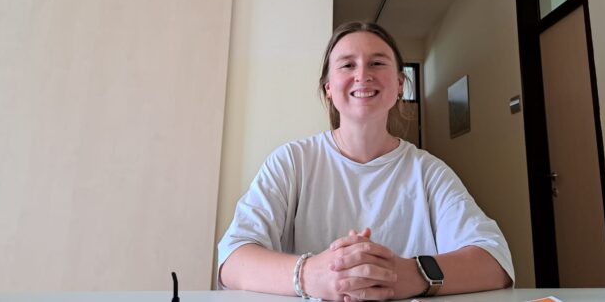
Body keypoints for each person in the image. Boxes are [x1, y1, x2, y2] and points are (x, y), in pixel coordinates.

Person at [217, 21, 513, 300]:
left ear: (400, 84)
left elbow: (495, 262)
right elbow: (231, 259)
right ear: (328, 87)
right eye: (348, 65)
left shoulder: (428, 172)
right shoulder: (291, 162)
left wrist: (407, 274)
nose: (362, 75)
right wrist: (310, 275)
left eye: (377, 63)